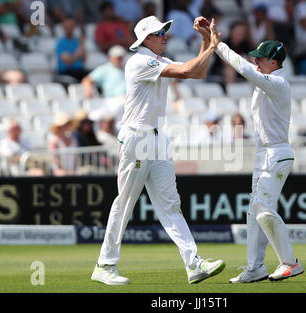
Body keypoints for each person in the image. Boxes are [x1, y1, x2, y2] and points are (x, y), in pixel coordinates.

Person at [91, 15, 225, 286]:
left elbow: (197, 72)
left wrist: (204, 40)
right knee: (126, 203)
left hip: (158, 139)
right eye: (159, 33)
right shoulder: (140, 61)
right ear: (145, 40)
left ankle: (193, 263)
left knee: (170, 205)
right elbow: (188, 71)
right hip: (137, 139)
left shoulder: (159, 60)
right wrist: (211, 46)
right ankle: (104, 265)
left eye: (164, 31)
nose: (164, 35)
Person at [210, 19, 304, 282]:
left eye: (261, 59)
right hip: (264, 153)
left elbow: (243, 69)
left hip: (276, 153)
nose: (256, 62)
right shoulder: (268, 80)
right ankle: (255, 268)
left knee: (262, 207)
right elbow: (249, 69)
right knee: (255, 209)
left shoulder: (278, 83)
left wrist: (218, 45)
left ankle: (290, 262)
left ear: (273, 63)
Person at [56, 16, 88, 82]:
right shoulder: (60, 43)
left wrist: (82, 44)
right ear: (64, 28)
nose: (70, 28)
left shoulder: (78, 41)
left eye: (71, 26)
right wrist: (77, 53)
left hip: (79, 71)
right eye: (67, 26)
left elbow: (84, 59)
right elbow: (68, 61)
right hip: (66, 72)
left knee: (93, 77)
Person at [48, 111, 77, 176]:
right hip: (59, 173)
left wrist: (73, 171)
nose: (67, 126)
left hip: (72, 172)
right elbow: (54, 159)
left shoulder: (73, 140)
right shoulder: (54, 141)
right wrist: (65, 171)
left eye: (68, 124)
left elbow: (75, 157)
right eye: (65, 124)